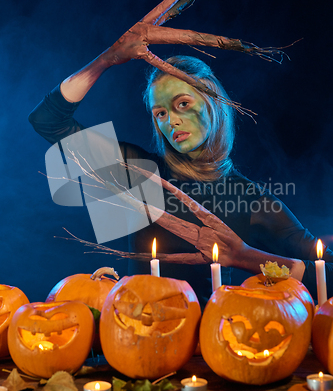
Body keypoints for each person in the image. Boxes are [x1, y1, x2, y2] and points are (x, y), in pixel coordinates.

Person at [29, 38, 333, 308]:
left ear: (212, 101)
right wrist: (108, 58)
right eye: (160, 113)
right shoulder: (140, 173)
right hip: (142, 336)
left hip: (221, 344)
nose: (170, 121)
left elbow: (327, 275)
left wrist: (245, 257)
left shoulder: (252, 199)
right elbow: (48, 120)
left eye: (182, 104)